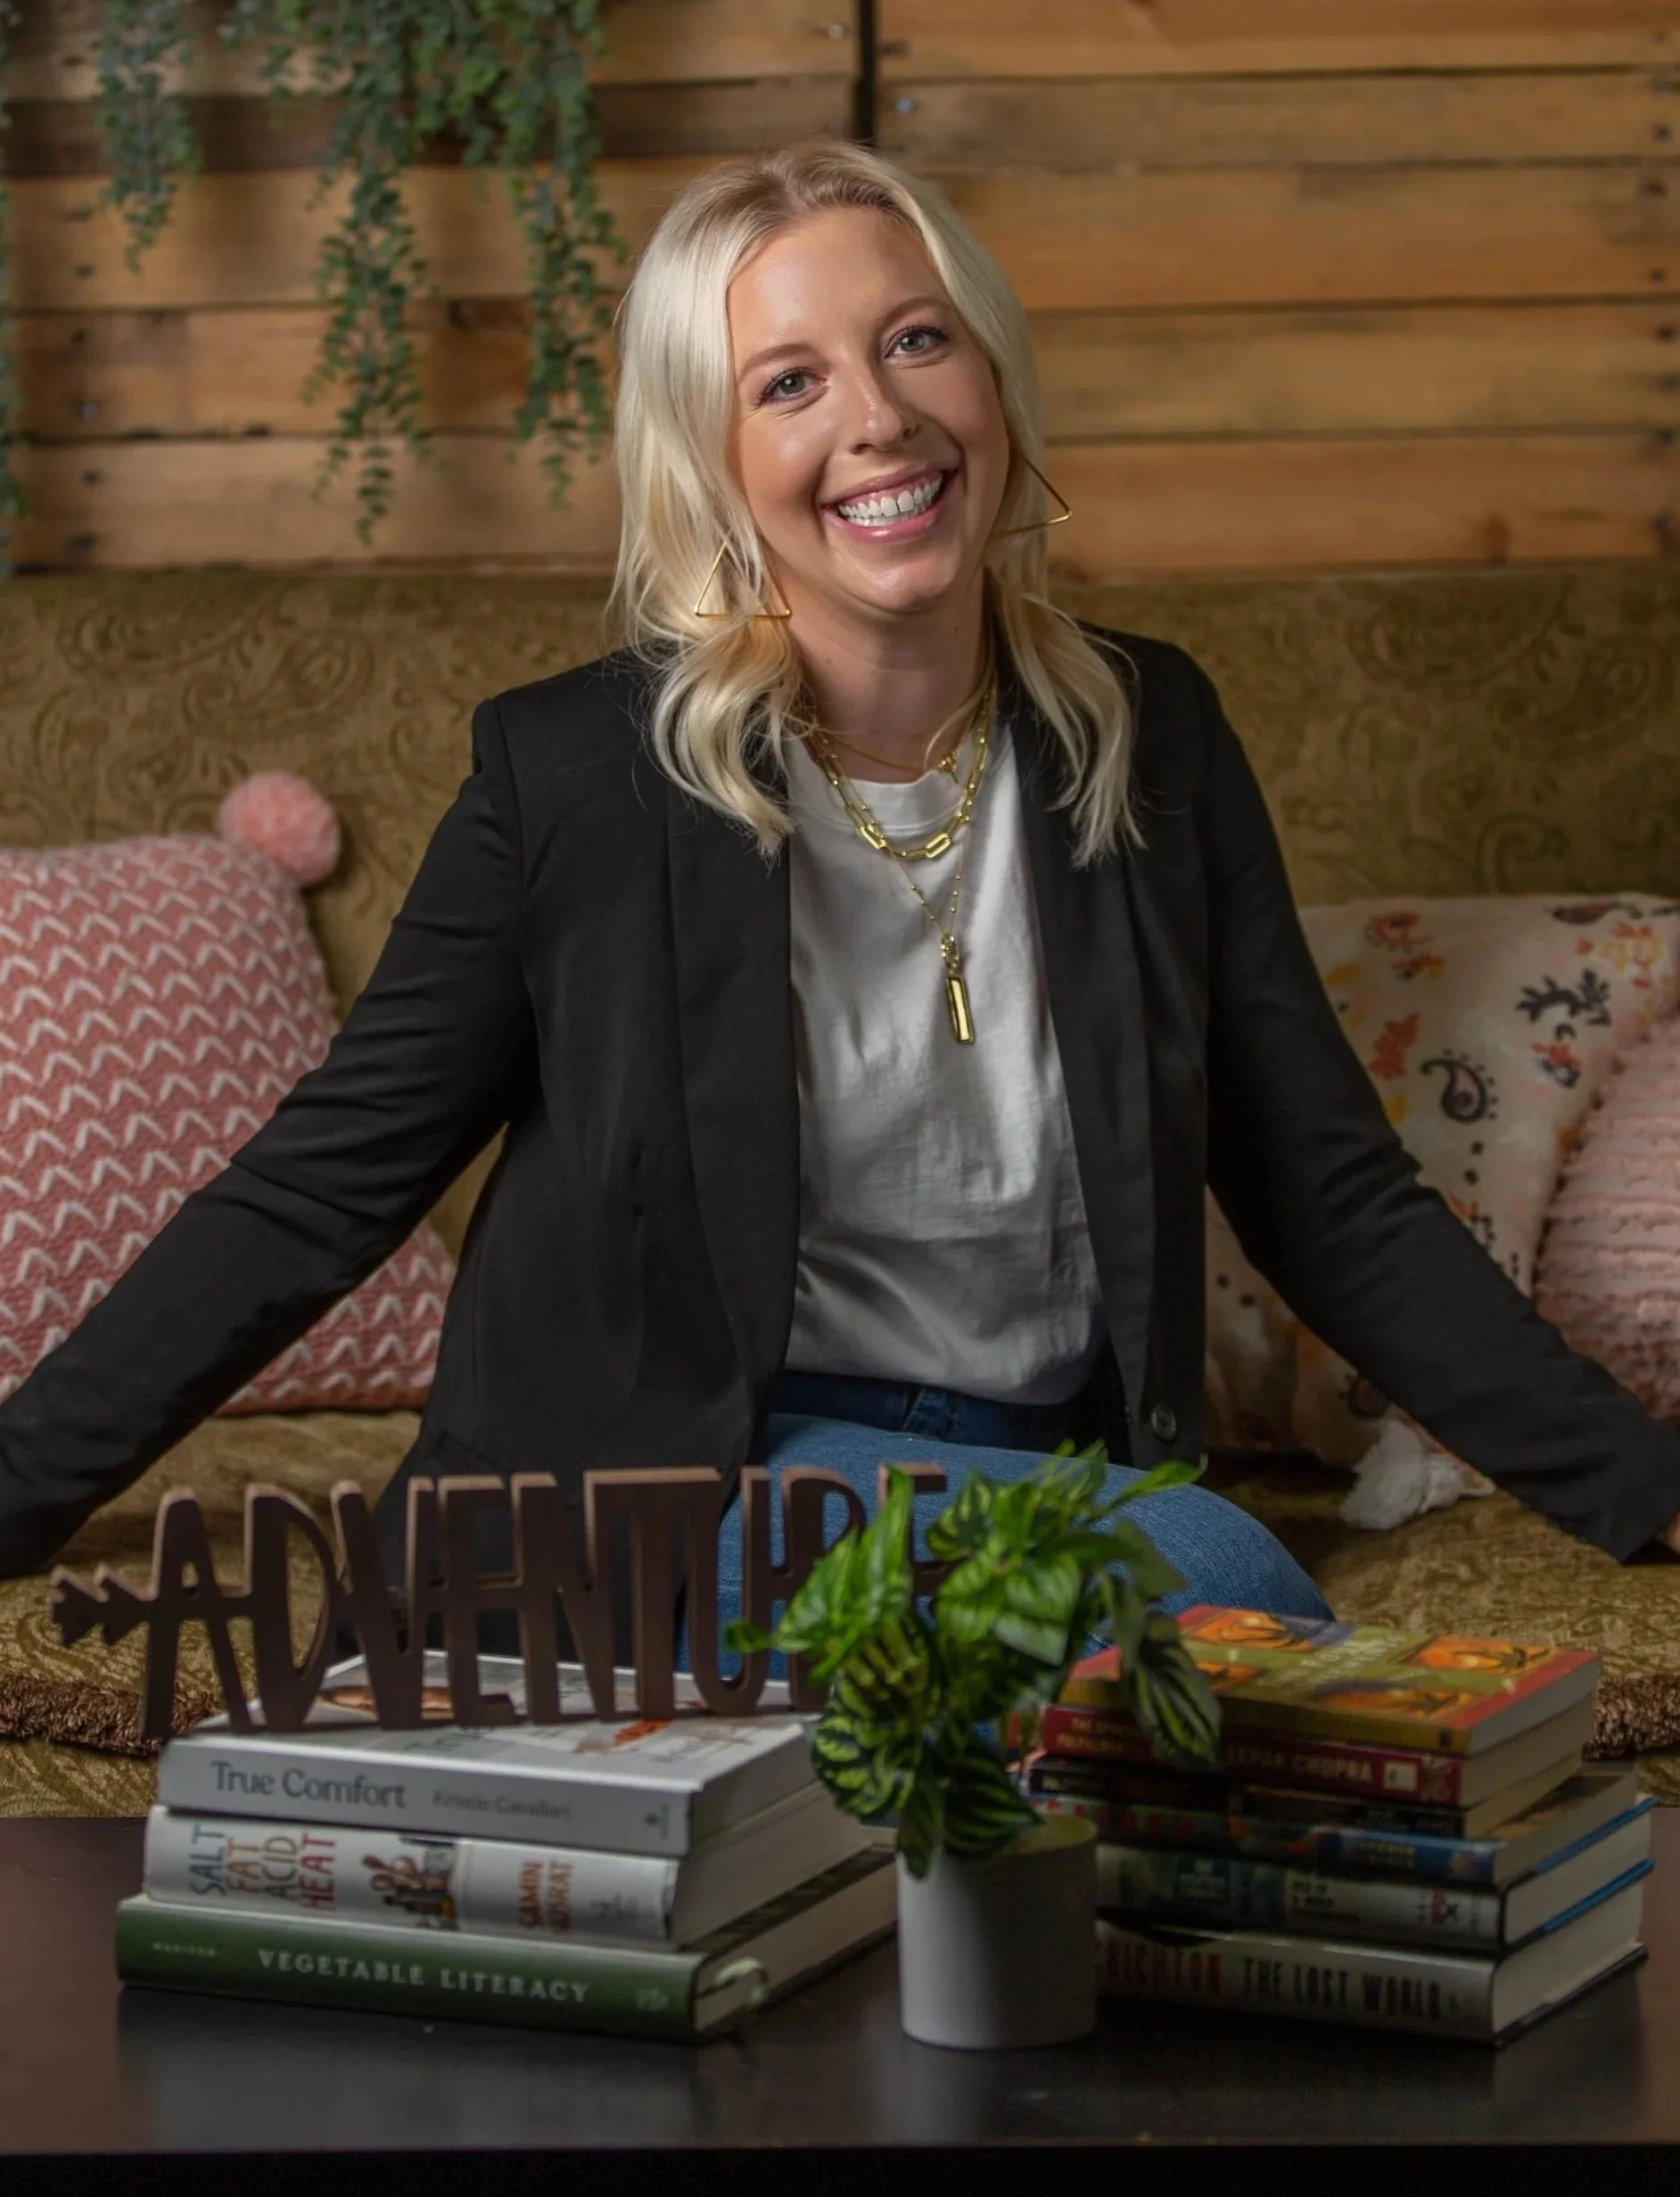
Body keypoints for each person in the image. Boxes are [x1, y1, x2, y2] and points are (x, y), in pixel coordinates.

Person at [1, 141, 1676, 1650]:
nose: (877, 418)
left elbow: (1334, 1198)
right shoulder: (575, 782)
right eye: (787, 381)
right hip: (684, 1491)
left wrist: (1642, 1479)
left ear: (994, 381)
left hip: (1048, 1475)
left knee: (1209, 1588)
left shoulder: (1151, 741)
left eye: (915, 340)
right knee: (1175, 1619)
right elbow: (315, 1188)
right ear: (715, 462)